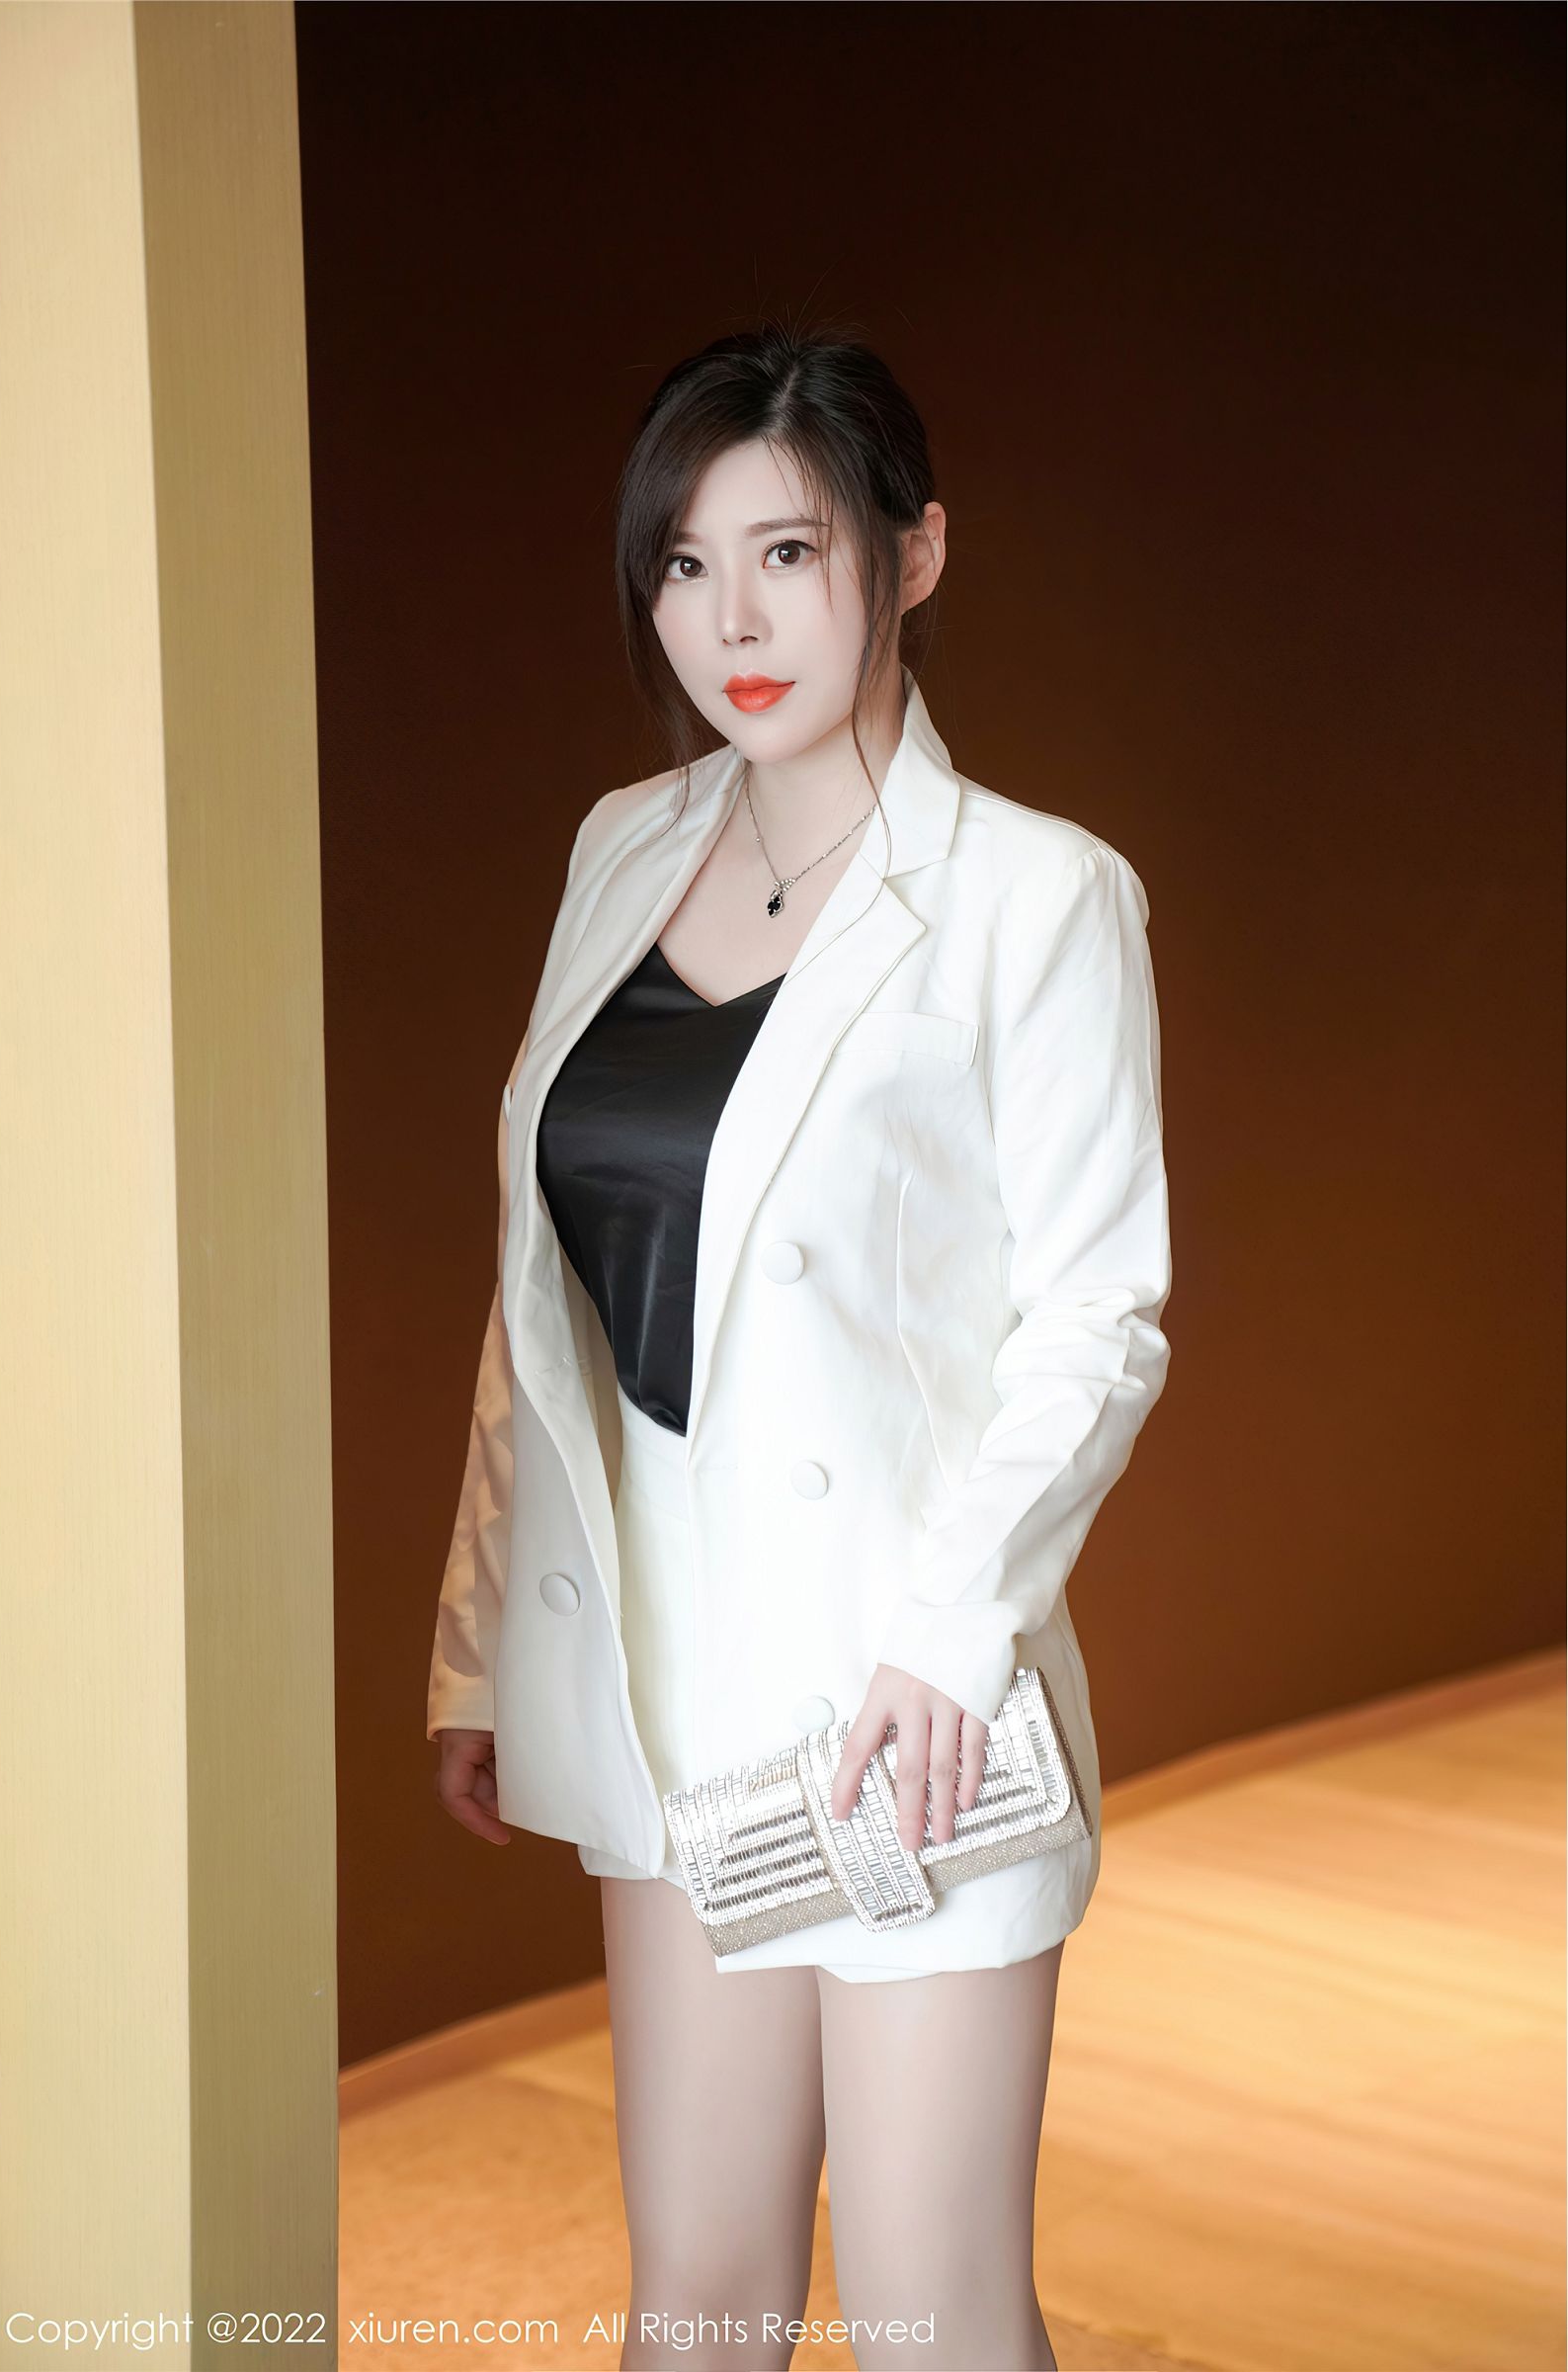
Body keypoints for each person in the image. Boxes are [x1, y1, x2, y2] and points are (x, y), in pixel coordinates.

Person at [427, 322, 1173, 2371]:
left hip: (895, 1704)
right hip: (662, 1681)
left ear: (912, 556)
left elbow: (1096, 1314)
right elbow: (543, 1291)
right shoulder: (619, 848)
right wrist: (485, 1643)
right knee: (696, 2306)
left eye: (788, 553)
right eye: (683, 565)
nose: (730, 624)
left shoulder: (1035, 898)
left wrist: (952, 1628)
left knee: (934, 2321)